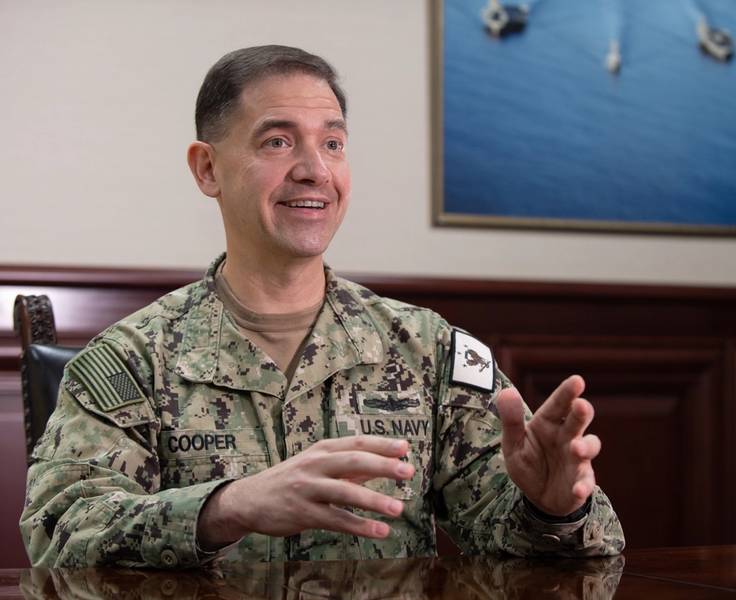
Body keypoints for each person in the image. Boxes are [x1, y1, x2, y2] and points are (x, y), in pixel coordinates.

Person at [20, 45, 624, 568]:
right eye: (278, 141)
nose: (315, 171)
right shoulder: (131, 361)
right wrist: (228, 508)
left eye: (332, 144)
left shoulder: (429, 350)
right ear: (207, 169)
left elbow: (528, 545)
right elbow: (57, 533)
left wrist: (552, 509)